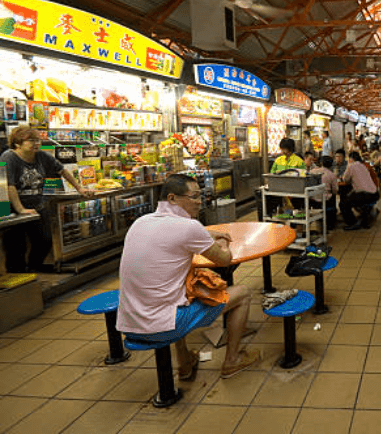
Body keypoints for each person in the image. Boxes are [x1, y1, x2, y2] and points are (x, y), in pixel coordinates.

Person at [117, 174, 259, 379]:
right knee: (243, 293)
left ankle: (184, 362)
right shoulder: (188, 227)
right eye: (194, 196)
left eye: (200, 196)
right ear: (172, 198)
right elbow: (224, 260)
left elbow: (184, 235)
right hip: (161, 326)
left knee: (179, 294)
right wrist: (223, 242)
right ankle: (232, 361)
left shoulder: (141, 222)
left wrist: (208, 236)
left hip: (129, 324)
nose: (200, 201)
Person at [1, 125, 91, 272]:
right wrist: (21, 209)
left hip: (38, 206)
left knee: (45, 240)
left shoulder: (41, 156)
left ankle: (33, 268)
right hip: (12, 209)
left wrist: (79, 188)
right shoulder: (8, 157)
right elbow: (9, 186)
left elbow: (62, 170)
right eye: (31, 140)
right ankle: (18, 276)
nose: (36, 143)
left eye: (38, 140)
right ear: (17, 143)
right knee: (16, 246)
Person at [339, 151, 380, 230]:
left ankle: (352, 223)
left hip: (365, 195)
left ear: (351, 159)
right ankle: (364, 219)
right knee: (352, 197)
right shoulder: (363, 165)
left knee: (343, 203)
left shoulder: (351, 166)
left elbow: (345, 179)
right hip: (375, 194)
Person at [310, 155, 338, 230]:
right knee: (333, 196)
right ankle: (331, 223)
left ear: (321, 163)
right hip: (325, 201)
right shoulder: (331, 174)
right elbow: (335, 190)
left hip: (312, 200)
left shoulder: (312, 172)